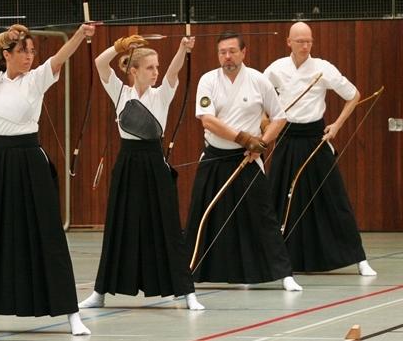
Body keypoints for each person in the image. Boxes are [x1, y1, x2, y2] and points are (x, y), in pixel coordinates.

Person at [0, 23, 94, 336]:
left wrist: (79, 36)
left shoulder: (36, 79)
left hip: (31, 161)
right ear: (7, 54)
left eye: (32, 51)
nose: (30, 56)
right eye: (22, 51)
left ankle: (71, 313)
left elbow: (59, 59)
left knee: (48, 235)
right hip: (2, 163)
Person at [77, 35, 204, 310]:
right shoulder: (121, 92)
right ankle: (100, 293)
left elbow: (173, 72)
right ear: (133, 71)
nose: (156, 72)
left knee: (168, 227)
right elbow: (100, 63)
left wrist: (183, 48)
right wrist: (120, 46)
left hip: (154, 162)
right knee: (118, 224)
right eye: (150, 67)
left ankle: (187, 292)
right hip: (128, 163)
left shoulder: (162, 94)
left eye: (156, 67)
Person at [185, 31, 303, 291]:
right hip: (216, 158)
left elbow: (280, 117)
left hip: (248, 160)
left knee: (263, 216)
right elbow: (207, 120)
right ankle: (188, 273)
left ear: (243, 52)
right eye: (222, 52)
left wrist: (261, 144)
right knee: (202, 215)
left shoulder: (259, 80)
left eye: (232, 51)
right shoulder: (208, 80)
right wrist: (244, 138)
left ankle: (284, 274)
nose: (227, 57)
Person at [264, 22, 376, 276]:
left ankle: (359, 258)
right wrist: (265, 123)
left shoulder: (323, 68)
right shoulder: (276, 70)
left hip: (316, 139)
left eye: (309, 41)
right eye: (300, 41)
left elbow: (354, 95)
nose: (305, 46)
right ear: (288, 42)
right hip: (286, 138)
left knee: (334, 197)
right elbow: (261, 96)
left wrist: (336, 125)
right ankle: (271, 260)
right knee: (277, 198)